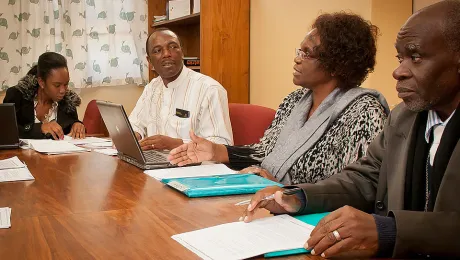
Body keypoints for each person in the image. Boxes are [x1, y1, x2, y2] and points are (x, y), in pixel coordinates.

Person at [242, 1, 460, 258]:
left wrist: (390, 230)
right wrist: (298, 197)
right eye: (400, 58)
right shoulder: (404, 117)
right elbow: (365, 178)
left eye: (416, 57)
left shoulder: (368, 108)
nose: (398, 71)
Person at [169, 13, 389, 185]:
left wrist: (288, 192)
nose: (296, 59)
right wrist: (217, 151)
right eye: (299, 51)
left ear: (335, 64)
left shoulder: (364, 113)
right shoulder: (294, 101)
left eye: (306, 53)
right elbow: (265, 152)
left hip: (315, 218)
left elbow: (353, 187)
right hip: (271, 201)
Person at [128, 28, 233, 151]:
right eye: (157, 50)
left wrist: (176, 144)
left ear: (182, 53)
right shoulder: (152, 87)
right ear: (150, 61)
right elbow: (135, 123)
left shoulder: (209, 89)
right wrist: (133, 135)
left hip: (194, 167)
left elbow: (222, 145)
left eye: (173, 47)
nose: (166, 53)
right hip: (155, 164)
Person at [3, 52, 85, 140]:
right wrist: (39, 128)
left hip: (60, 153)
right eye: (57, 85)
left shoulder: (68, 102)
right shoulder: (17, 95)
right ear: (41, 82)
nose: (63, 90)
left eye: (66, 84)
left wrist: (77, 125)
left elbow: (71, 123)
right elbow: (5, 130)